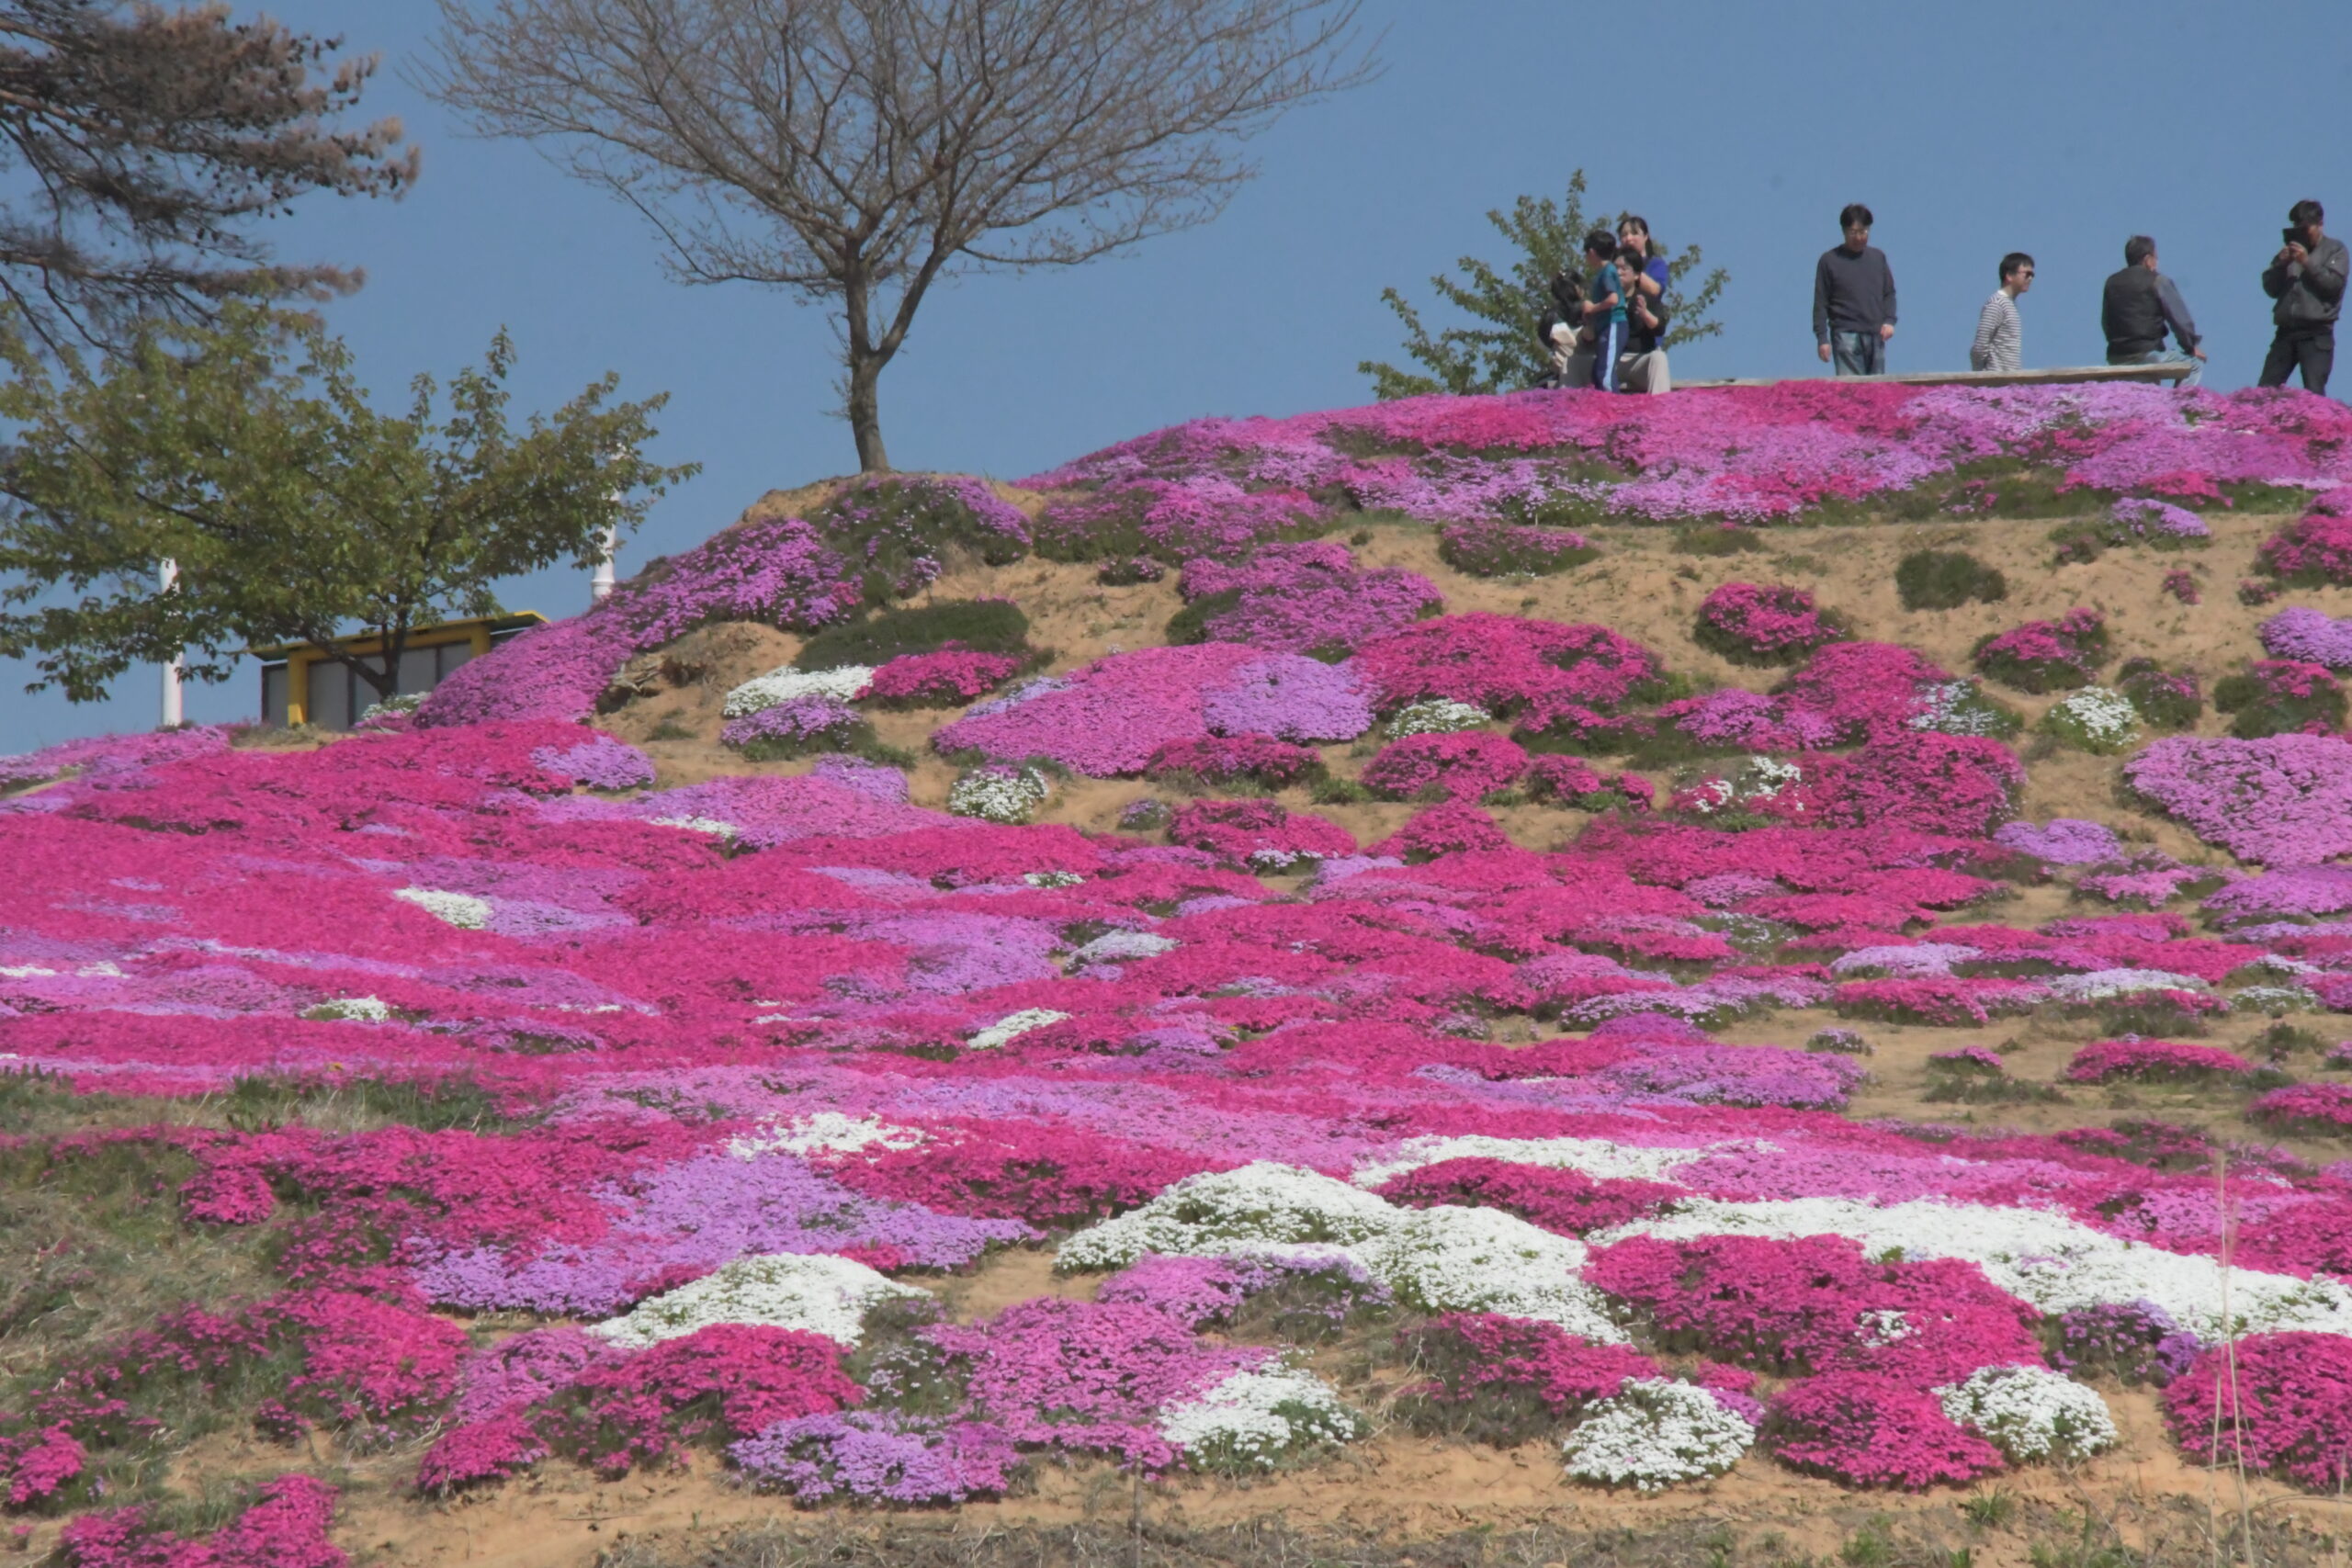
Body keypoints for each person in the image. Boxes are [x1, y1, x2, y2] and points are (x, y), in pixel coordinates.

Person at [2261, 198, 2348, 394]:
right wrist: (2281, 264)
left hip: (2316, 334)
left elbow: (2332, 286)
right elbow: (2270, 288)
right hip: (2286, 333)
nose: (2301, 232)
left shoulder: (2335, 250)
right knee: (2264, 392)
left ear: (2319, 225)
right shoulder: (2289, 253)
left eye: (2306, 227)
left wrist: (2307, 262)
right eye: (2296, 227)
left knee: (2314, 391)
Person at [2102, 235, 2205, 388]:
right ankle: (2177, 407)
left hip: (2116, 356)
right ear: (2147, 259)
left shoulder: (2111, 283)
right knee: (2195, 365)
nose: (2157, 263)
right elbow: (2180, 321)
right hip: (2147, 354)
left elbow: (2106, 323)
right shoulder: (2157, 281)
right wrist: (2190, 346)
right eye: (2156, 258)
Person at [1814, 203, 1896, 375]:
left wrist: (1889, 321)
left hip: (1875, 334)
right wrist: (1822, 339)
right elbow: (1821, 303)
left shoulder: (1878, 258)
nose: (1859, 238)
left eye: (1863, 232)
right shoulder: (1829, 261)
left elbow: (1889, 293)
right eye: (1853, 233)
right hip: (1845, 335)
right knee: (1852, 393)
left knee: (1877, 393)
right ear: (1844, 231)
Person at [1615, 215, 1673, 393]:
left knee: (1658, 360)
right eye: (1624, 235)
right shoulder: (1614, 267)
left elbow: (1656, 290)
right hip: (1617, 348)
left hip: (1645, 347)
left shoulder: (1655, 264)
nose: (1629, 239)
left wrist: (1634, 271)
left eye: (1634, 233)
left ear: (1646, 236)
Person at [1577, 229, 1626, 391]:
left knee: (1605, 374)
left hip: (1614, 324)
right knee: (1598, 372)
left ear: (1591, 252)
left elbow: (1613, 299)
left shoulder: (1607, 272)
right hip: (1605, 326)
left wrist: (1593, 308)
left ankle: (1614, 408)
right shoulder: (1602, 273)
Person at [1969, 253, 2032, 373]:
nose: (2030, 278)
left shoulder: (2010, 305)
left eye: (2032, 275)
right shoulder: (1997, 303)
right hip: (1995, 382)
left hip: (2009, 383)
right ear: (2009, 275)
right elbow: (1980, 346)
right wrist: (1979, 379)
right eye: (2027, 274)